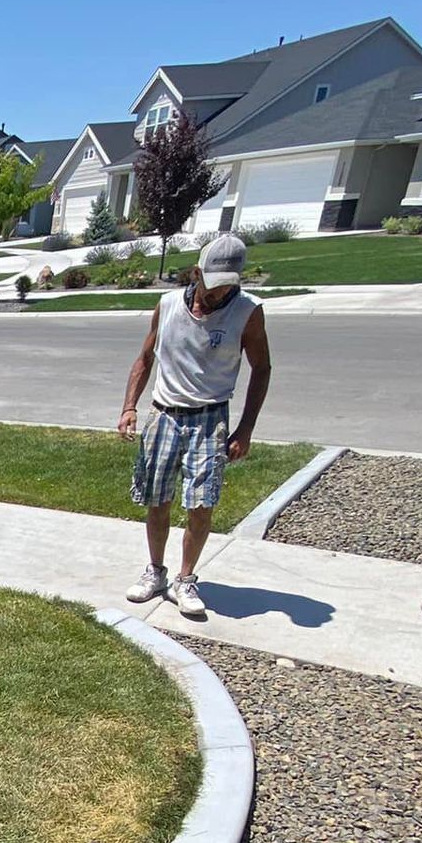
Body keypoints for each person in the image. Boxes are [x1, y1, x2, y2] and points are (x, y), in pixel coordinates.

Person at [117, 232, 272, 619]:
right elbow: (145, 358)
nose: (218, 295)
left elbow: (262, 368)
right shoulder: (168, 305)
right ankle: (156, 571)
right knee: (158, 500)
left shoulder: (247, 312)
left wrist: (246, 429)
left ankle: (185, 580)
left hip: (209, 418)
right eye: (212, 286)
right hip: (164, 414)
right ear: (196, 273)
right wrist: (129, 407)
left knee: (201, 505)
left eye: (227, 288)